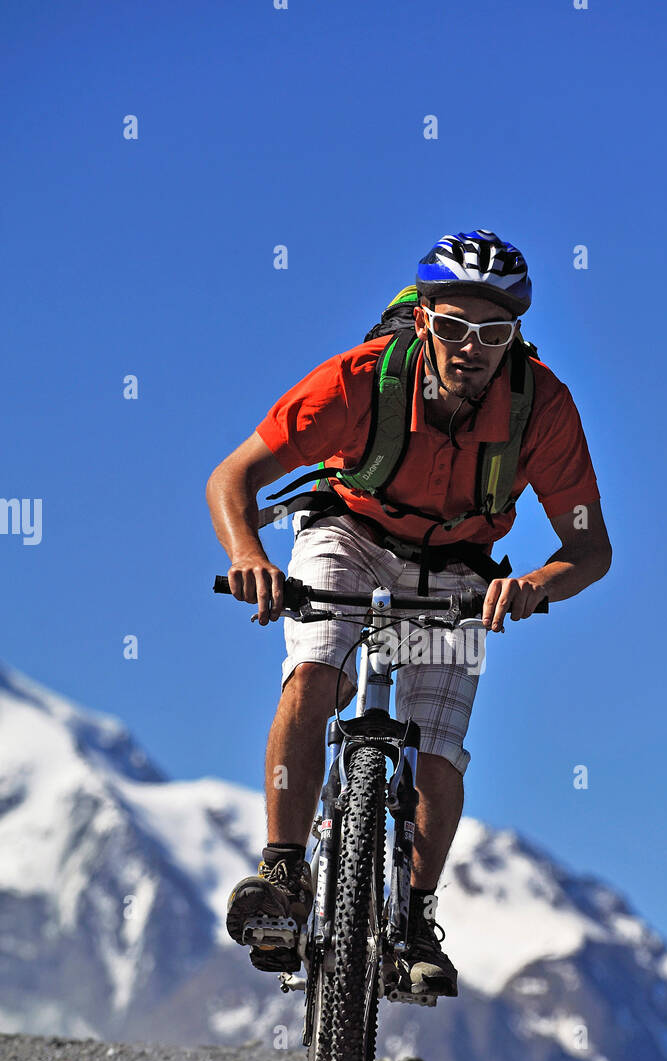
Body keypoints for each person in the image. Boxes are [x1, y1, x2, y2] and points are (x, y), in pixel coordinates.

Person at [206, 229, 611, 999]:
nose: (472, 348)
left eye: (494, 333)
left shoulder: (544, 409)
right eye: (455, 327)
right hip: (348, 531)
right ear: (423, 318)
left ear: (515, 336)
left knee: (437, 749)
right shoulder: (358, 380)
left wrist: (535, 585)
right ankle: (284, 873)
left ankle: (416, 919)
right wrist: (248, 557)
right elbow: (233, 478)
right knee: (315, 669)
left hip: (459, 568)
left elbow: (590, 552)